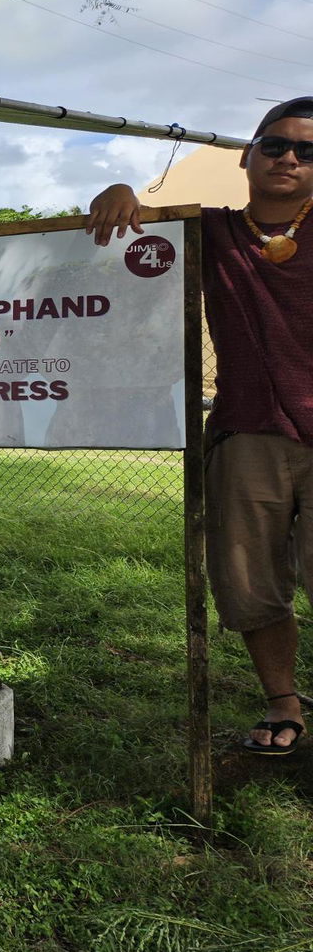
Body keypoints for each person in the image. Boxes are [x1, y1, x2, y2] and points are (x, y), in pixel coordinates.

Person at [88, 95, 313, 755]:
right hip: (248, 433)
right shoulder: (209, 230)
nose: (290, 159)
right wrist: (119, 188)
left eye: (308, 151)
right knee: (250, 584)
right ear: (247, 156)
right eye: (276, 145)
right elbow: (132, 229)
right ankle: (284, 704)